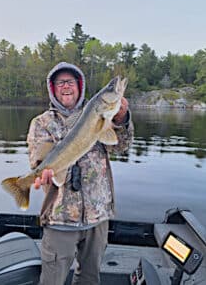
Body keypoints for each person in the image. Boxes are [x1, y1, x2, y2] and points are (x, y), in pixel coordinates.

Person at [26, 62, 134, 285]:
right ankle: (20, 186)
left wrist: (121, 119)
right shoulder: (41, 123)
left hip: (97, 216)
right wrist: (41, 173)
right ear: (52, 88)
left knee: (90, 279)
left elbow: (120, 145)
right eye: (60, 82)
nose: (66, 87)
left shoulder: (100, 115)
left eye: (71, 82)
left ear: (80, 86)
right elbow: (37, 160)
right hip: (59, 219)